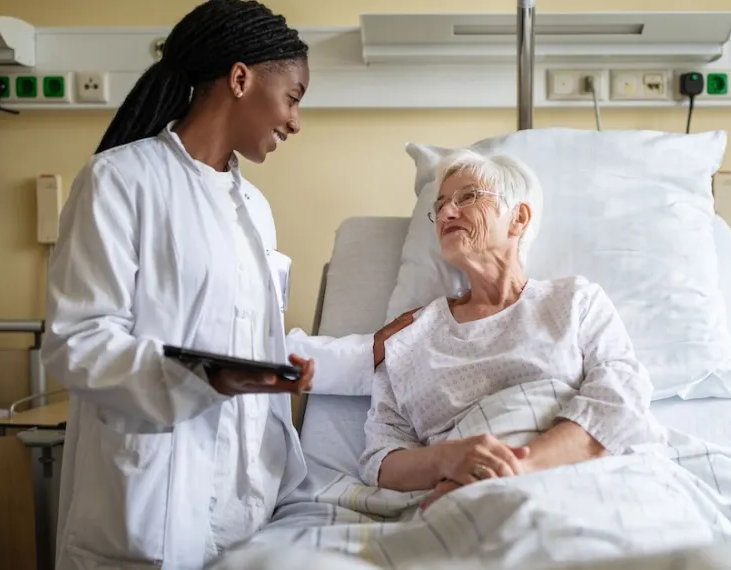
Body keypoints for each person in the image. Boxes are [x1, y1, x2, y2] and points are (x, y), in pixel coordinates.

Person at [40, 2, 413, 569]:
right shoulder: (119, 181)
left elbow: (247, 336)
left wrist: (358, 353)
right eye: (293, 97)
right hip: (153, 503)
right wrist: (203, 376)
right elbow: (80, 342)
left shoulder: (254, 208)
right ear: (240, 79)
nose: (295, 122)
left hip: (249, 502)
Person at [358, 149, 668, 509]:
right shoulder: (410, 337)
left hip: (582, 482)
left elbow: (621, 400)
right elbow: (380, 459)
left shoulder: (574, 302)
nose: (445, 212)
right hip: (462, 501)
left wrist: (512, 469)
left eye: (467, 197)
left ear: (518, 218)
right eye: (439, 205)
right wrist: (448, 460)